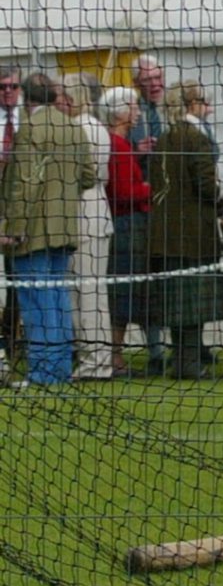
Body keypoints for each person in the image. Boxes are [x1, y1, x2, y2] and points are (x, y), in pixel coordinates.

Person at [0, 73, 96, 385]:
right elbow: (88, 177)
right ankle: (59, 369)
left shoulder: (31, 130)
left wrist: (13, 227)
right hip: (65, 225)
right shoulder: (73, 126)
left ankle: (43, 372)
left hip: (34, 227)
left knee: (37, 301)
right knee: (57, 298)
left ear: (27, 98)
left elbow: (23, 186)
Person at [149, 82, 223, 379]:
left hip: (166, 235)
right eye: (203, 102)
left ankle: (182, 361)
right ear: (190, 104)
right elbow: (208, 185)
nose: (207, 107)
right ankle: (190, 364)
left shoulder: (165, 138)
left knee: (176, 305)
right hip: (195, 233)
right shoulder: (196, 138)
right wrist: (222, 209)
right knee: (194, 306)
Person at [57, 73, 115, 380]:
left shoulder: (84, 128)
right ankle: (92, 357)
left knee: (88, 290)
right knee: (81, 289)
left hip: (86, 212)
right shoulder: (90, 125)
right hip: (87, 210)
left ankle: (97, 360)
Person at [99, 86, 151, 377]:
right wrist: (150, 190)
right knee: (120, 294)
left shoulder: (121, 143)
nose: (138, 112)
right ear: (121, 111)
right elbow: (121, 192)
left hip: (128, 223)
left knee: (125, 293)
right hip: (125, 226)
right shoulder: (116, 145)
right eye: (133, 106)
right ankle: (114, 358)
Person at [129, 54, 171, 376]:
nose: (155, 85)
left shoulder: (174, 109)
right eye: (148, 81)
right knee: (146, 283)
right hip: (143, 210)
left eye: (158, 78)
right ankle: (155, 350)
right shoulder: (129, 114)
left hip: (174, 208)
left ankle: (189, 345)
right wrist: (137, 152)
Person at [0, 64, 24, 379]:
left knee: (18, 284)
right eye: (2, 86)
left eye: (12, 86)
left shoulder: (29, 123)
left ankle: (13, 344)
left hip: (20, 217)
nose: (7, 92)